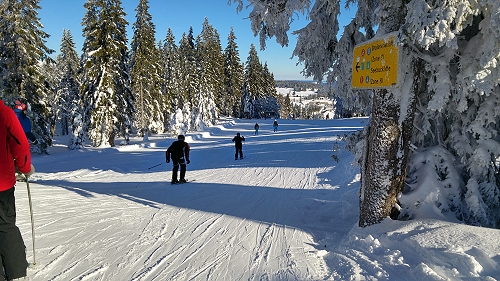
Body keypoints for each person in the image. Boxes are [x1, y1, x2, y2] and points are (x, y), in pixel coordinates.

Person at [0, 99, 35, 281]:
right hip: (2, 183)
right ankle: (16, 273)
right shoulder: (5, 113)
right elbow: (20, 144)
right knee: (5, 226)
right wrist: (24, 167)